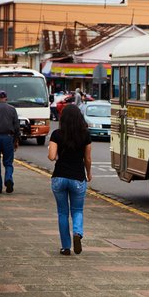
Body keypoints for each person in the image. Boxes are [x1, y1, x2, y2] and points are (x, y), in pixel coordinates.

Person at [48, 104, 92, 255]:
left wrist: (53, 150)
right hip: (78, 178)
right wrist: (89, 173)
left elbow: (52, 157)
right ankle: (77, 233)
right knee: (77, 210)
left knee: (62, 213)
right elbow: (87, 158)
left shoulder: (57, 134)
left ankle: (65, 247)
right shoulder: (85, 135)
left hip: (59, 177)